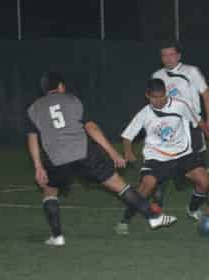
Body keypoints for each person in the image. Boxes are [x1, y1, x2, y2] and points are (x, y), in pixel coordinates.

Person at [26, 72, 177, 246]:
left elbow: (32, 138)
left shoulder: (33, 108)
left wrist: (38, 166)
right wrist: (112, 152)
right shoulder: (72, 99)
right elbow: (91, 128)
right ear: (60, 86)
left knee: (50, 192)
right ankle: (153, 217)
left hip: (56, 157)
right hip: (84, 151)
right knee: (117, 183)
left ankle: (57, 236)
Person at [114, 79, 209, 235]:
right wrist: (128, 152)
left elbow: (199, 122)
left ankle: (192, 209)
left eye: (162, 96)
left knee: (204, 180)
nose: (160, 100)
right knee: (146, 187)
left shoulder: (180, 105)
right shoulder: (144, 114)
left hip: (183, 153)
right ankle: (125, 220)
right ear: (147, 96)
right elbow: (127, 137)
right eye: (155, 97)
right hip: (156, 157)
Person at [151, 41, 209, 212]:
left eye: (171, 54)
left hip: (193, 127)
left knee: (200, 167)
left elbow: (207, 97)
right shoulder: (157, 76)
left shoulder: (191, 71)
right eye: (164, 55)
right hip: (170, 128)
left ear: (179, 56)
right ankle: (157, 203)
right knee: (164, 163)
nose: (168, 58)